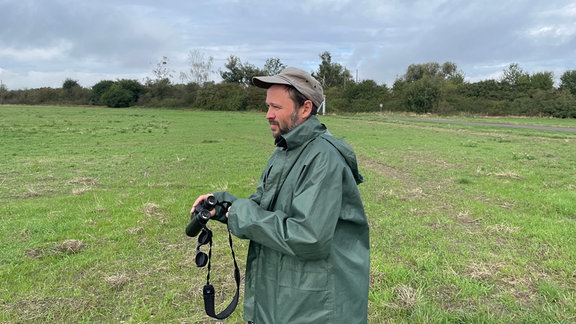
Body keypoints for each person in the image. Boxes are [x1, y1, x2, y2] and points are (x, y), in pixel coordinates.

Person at [191, 67, 370, 323]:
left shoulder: (323, 159)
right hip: (285, 297)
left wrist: (242, 214)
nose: (268, 115)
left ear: (305, 109)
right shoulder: (286, 150)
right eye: (267, 106)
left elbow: (310, 237)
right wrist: (223, 206)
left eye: (276, 107)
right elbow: (264, 206)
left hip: (314, 307)